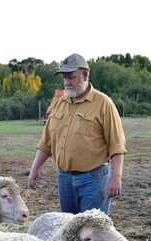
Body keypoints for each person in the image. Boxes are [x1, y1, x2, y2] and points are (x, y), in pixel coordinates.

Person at [28, 53, 127, 215]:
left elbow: (117, 145)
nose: (67, 82)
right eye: (64, 78)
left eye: (71, 77)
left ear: (85, 75)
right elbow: (46, 143)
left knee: (91, 231)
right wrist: (34, 169)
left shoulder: (103, 104)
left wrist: (116, 177)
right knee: (70, 229)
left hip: (94, 180)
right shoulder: (59, 103)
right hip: (65, 179)